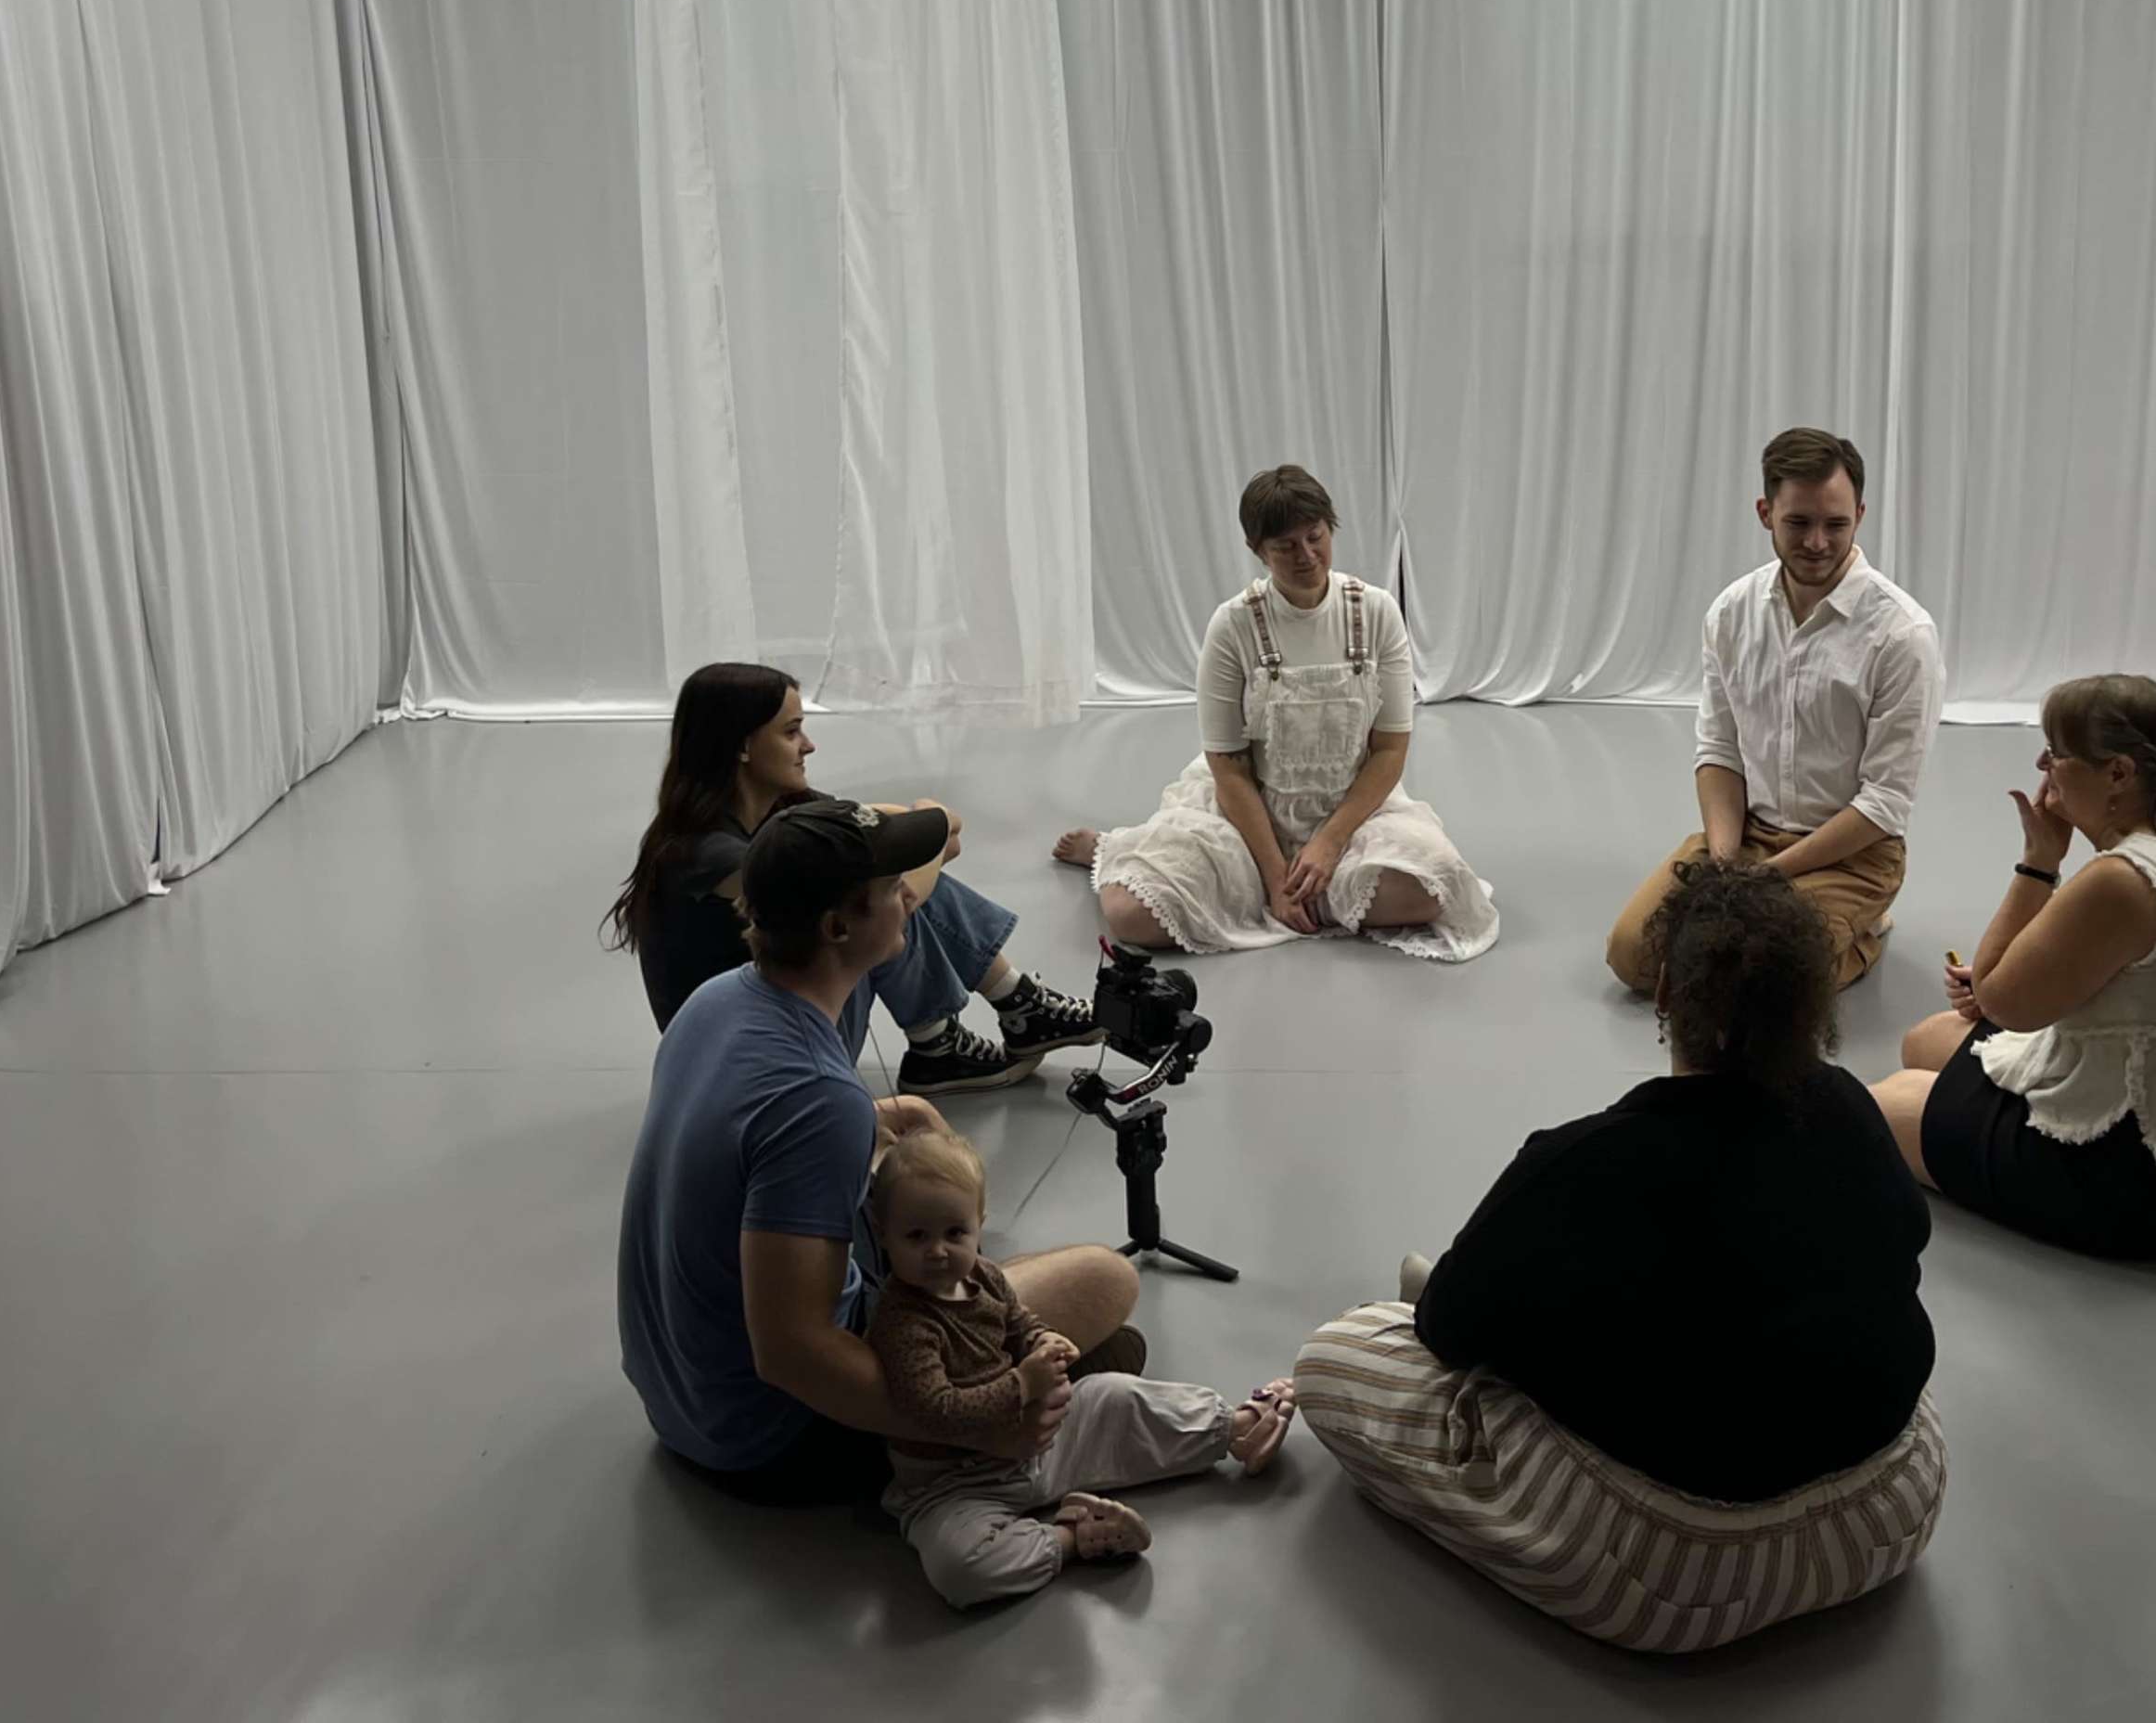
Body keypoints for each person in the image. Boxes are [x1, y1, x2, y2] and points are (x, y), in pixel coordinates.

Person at [1293, 860, 1948, 1655]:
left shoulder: (1584, 1164)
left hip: (1685, 1569)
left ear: (1666, 990)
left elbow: (1444, 1330)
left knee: (1336, 1355)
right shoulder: (1851, 1106)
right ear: (1810, 1000)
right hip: (1892, 1507)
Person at [616, 795, 1148, 1504]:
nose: (909, 896)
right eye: (891, 889)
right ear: (838, 927)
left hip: (681, 1400)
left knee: (991, 1279)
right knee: (1106, 1283)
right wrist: (980, 1429)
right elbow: (794, 1353)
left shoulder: (716, 1003)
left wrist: (879, 1116)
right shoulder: (814, 1098)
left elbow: (751, 1137)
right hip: (770, 1440)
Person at [1867, 674, 2156, 1259]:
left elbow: (2002, 1001)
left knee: (1888, 1100)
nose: (2042, 765)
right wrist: (1999, 987)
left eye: (2056, 753)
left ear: (2118, 774)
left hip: (2140, 1182)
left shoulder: (2121, 881)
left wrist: (2040, 860)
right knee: (1926, 1040)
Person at [1054, 466, 1496, 960]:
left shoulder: (1376, 612)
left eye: (1316, 536)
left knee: (1434, 892)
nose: (1307, 556)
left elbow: (1390, 749)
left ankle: (1310, 890)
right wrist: (1273, 876)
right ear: (1257, 550)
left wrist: (1329, 843)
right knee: (1129, 914)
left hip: (1352, 812)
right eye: (1285, 546)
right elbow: (1230, 766)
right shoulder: (1233, 625)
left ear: (1331, 528)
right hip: (1248, 816)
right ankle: (1116, 851)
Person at [605, 662, 1098, 1095]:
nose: (809, 745)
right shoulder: (704, 853)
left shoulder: (782, 810)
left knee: (879, 873)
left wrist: (922, 832)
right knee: (874, 898)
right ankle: (989, 1020)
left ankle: (974, 1028)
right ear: (742, 747)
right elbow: (900, 887)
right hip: (749, 1061)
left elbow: (893, 827)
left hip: (782, 1020)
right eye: (792, 731)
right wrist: (926, 831)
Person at [865, 1125, 1296, 1606]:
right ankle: (1073, 1537)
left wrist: (1041, 1337)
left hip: (1039, 1446)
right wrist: (1023, 1383)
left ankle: (1228, 1430)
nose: (938, 1250)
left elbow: (1017, 1321)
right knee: (959, 1566)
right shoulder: (902, 1322)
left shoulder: (983, 1277)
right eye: (917, 1236)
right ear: (884, 1234)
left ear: (979, 1224)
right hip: (955, 1484)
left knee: (1114, 1395)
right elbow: (936, 1410)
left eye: (955, 1233)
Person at [1604, 427, 1937, 996]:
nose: (1816, 543)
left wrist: (1766, 879)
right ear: (1765, 512)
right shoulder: (1731, 612)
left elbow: (1884, 803)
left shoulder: (1902, 634)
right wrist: (1728, 866)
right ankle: (1807, 931)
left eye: (1836, 524)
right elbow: (1719, 751)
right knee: (1633, 956)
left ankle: (1866, 927)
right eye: (1798, 523)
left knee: (1756, 986)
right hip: (1748, 838)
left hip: (1852, 856)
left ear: (1860, 513)